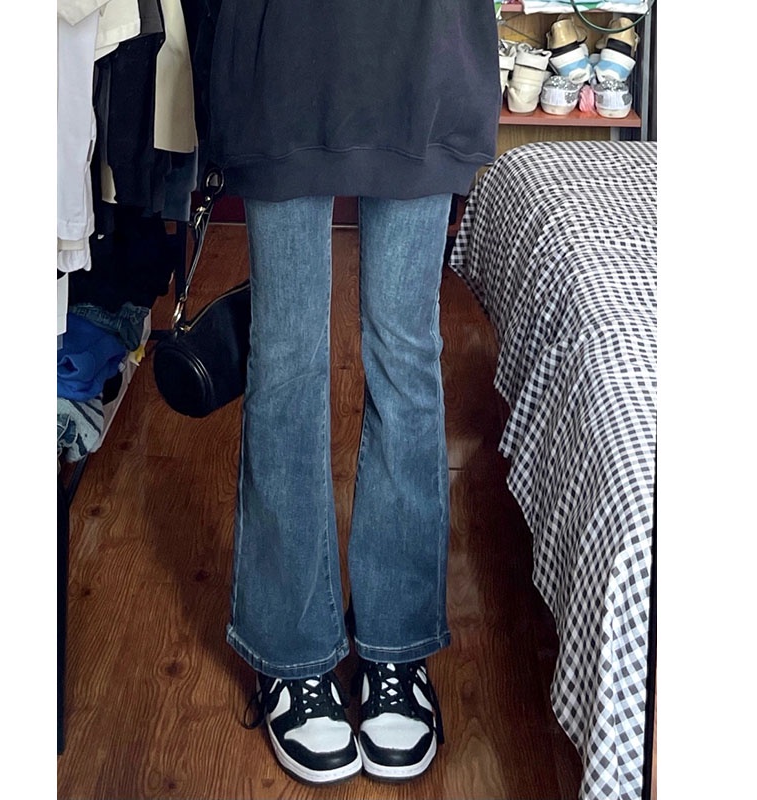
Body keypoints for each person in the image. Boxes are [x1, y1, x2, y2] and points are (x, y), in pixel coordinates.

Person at [203, 0, 501, 785]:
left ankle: (397, 646)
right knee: (286, 359)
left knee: (407, 359)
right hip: (280, 59)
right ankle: (291, 651)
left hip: (423, 60)